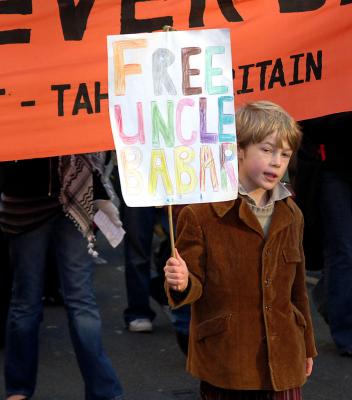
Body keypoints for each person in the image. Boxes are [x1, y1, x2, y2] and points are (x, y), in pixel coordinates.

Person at [164, 101, 317, 399]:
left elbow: (298, 289)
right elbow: (192, 286)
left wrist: (306, 346)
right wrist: (182, 281)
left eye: (285, 154)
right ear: (240, 150)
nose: (277, 162)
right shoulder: (201, 214)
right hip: (227, 363)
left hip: (285, 358)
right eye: (268, 150)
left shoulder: (291, 213)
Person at [0, 154, 124, 400]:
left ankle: (19, 390)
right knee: (76, 301)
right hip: (57, 193)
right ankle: (104, 391)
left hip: (37, 194)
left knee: (29, 302)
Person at [299, 112, 352, 356]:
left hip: (334, 165)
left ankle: (331, 296)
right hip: (332, 169)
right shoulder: (330, 77)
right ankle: (346, 332)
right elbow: (311, 122)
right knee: (342, 251)